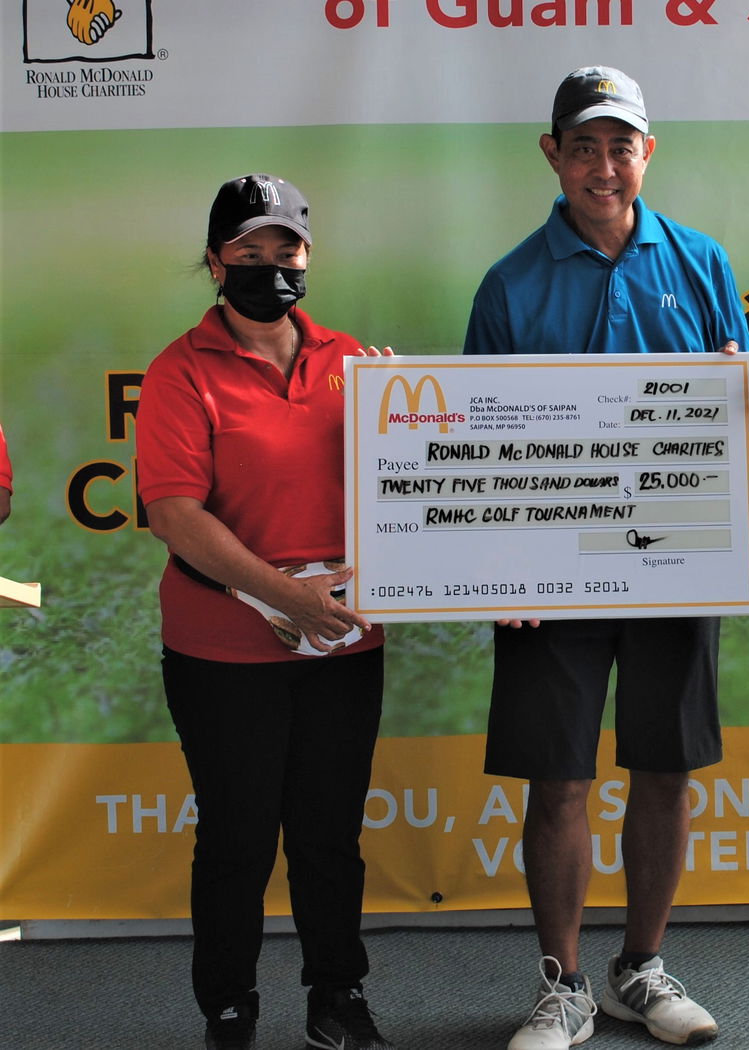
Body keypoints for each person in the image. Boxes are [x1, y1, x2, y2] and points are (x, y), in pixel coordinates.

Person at [463, 66, 749, 1050]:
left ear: (648, 153)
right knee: (558, 778)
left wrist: (743, 396)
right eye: (583, 146)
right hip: (550, 572)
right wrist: (501, 570)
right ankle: (563, 986)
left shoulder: (701, 261)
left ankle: (642, 969)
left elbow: (731, 397)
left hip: (676, 561)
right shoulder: (509, 284)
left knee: (665, 767)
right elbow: (477, 442)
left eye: (620, 145)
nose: (604, 166)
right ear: (552, 155)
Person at [137, 174, 394, 1050]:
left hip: (345, 644)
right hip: (223, 649)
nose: (270, 265)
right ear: (215, 262)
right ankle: (229, 1004)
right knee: (238, 838)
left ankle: (338, 996)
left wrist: (414, 423)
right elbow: (175, 513)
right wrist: (289, 596)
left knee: (330, 835)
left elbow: (408, 488)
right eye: (250, 250)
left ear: (307, 258)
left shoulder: (354, 360)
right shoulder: (180, 372)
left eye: (286, 248)